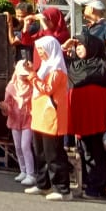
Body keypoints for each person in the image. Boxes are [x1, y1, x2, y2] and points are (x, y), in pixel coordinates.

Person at [64, 32, 106, 198]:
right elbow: (55, 60)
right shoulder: (73, 65)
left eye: (82, 45)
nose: (79, 48)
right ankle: (89, 184)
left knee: (98, 153)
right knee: (85, 152)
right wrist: (65, 47)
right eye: (77, 46)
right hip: (80, 118)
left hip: (98, 118)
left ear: (92, 46)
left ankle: (98, 187)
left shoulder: (103, 67)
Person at [25, 36, 72, 201]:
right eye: (38, 50)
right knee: (41, 153)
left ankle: (63, 189)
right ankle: (43, 183)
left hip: (52, 116)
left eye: (42, 50)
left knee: (54, 154)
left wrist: (32, 76)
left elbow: (47, 89)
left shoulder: (57, 69)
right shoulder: (45, 67)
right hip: (40, 115)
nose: (40, 53)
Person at [0, 59, 37, 186]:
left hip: (28, 119)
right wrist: (5, 108)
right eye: (21, 74)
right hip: (15, 119)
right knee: (18, 146)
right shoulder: (11, 87)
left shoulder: (32, 85)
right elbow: (8, 104)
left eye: (25, 74)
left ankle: (31, 174)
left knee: (26, 145)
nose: (23, 76)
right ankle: (23, 170)